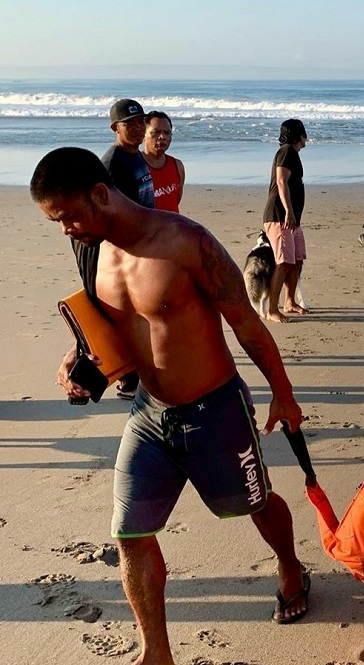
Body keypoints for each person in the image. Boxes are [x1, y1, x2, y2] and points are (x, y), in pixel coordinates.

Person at [32, 147, 311, 665]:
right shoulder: (93, 251)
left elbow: (245, 322)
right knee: (130, 534)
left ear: (99, 194)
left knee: (252, 503)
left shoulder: (186, 241)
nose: (66, 229)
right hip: (148, 415)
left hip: (216, 411)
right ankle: (155, 652)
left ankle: (291, 566)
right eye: (57, 221)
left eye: (69, 216)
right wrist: (77, 360)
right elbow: (108, 325)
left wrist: (283, 391)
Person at [102, 98, 154, 398]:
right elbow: (112, 215)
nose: (137, 128)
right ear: (115, 128)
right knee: (131, 314)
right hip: (128, 250)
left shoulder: (137, 156)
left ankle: (137, 373)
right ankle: (128, 379)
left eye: (140, 122)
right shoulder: (112, 164)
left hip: (145, 242)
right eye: (129, 124)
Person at [262, 119, 309, 324]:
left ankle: (289, 302)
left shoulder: (292, 153)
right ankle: (272, 309)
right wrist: (289, 211)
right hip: (279, 216)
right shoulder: (286, 151)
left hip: (292, 219)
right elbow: (281, 181)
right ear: (299, 135)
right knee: (283, 263)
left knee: (297, 259)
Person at [142, 111, 185, 212]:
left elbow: (175, 201)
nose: (162, 137)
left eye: (167, 133)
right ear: (143, 134)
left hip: (172, 226)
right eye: (156, 132)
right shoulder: (135, 167)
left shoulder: (177, 166)